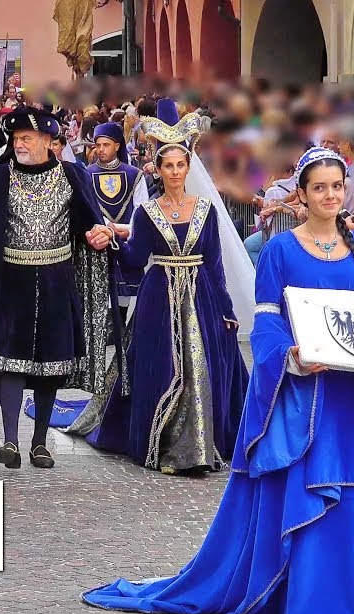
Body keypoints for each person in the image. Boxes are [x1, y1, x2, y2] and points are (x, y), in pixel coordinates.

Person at [82, 148, 354, 614]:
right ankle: (300, 593)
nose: (330, 195)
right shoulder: (280, 251)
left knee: (350, 486)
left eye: (337, 186)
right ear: (300, 195)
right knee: (309, 486)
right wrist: (292, 357)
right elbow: (266, 324)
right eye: (319, 187)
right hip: (305, 395)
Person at [67, 118, 250, 474]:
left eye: (181, 165)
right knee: (161, 367)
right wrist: (113, 241)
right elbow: (135, 258)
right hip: (158, 296)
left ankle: (199, 446)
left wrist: (226, 308)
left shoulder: (206, 209)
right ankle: (164, 443)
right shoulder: (147, 211)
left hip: (201, 295)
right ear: (159, 169)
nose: (176, 172)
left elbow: (214, 262)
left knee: (200, 367)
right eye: (169, 166)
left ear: (189, 167)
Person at [0, 106, 119, 469]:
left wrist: (99, 235)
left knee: (51, 363)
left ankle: (39, 444)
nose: (19, 144)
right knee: (9, 359)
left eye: (26, 138)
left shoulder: (71, 175)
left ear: (49, 141)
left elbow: (88, 223)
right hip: (10, 282)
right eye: (15, 138)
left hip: (56, 281)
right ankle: (10, 441)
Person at [85, 122, 144, 307]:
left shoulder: (135, 174)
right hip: (98, 243)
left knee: (124, 303)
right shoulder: (86, 174)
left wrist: (127, 230)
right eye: (98, 145)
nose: (101, 149)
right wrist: (104, 229)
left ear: (117, 146)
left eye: (106, 144)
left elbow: (142, 209)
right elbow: (87, 208)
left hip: (126, 242)